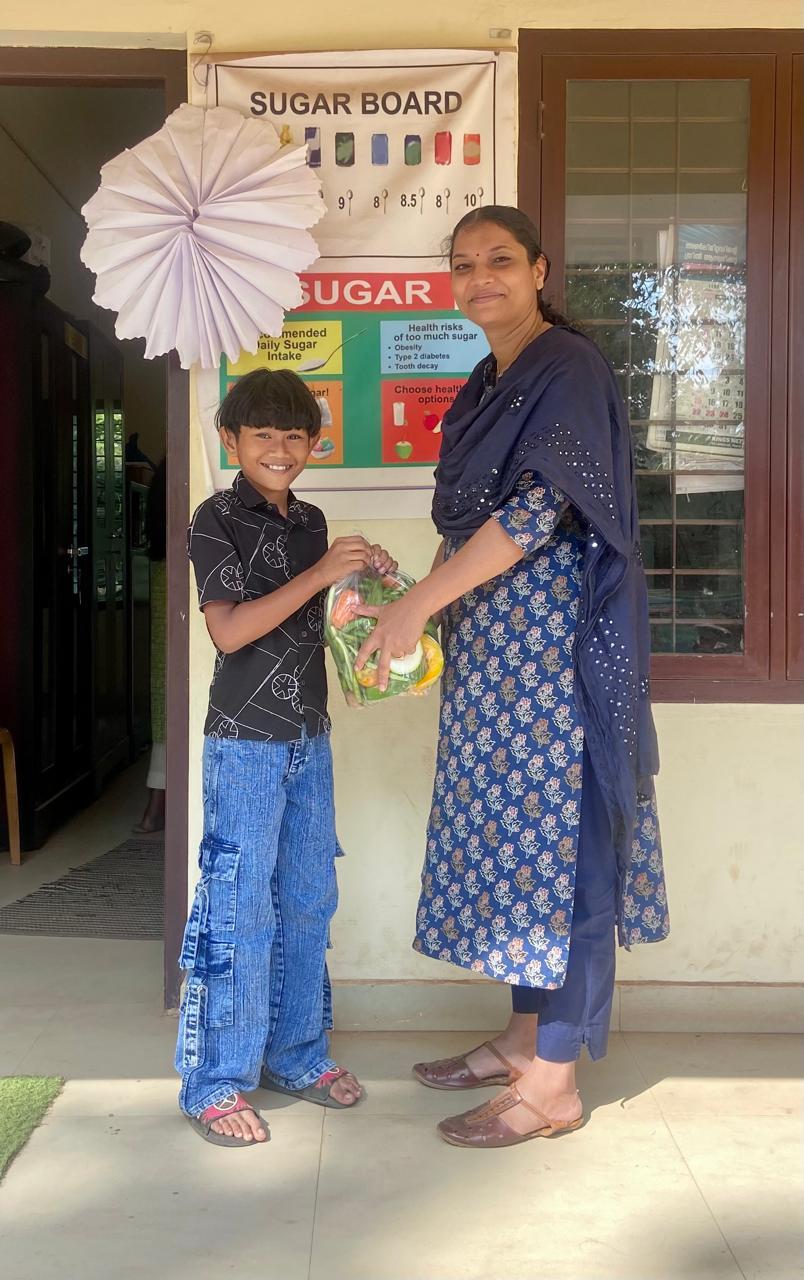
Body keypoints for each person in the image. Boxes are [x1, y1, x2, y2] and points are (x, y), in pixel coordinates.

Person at [356, 206, 670, 1149]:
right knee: (517, 849)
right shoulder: (489, 379)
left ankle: (554, 1084)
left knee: (565, 855)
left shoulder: (566, 366)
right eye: (463, 265)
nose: (479, 277)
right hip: (494, 658)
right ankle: (523, 1038)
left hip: (557, 657)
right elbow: (469, 523)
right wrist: (414, 604)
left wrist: (421, 604)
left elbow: (538, 514)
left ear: (539, 270)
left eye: (499, 260)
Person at [176, 368, 396, 1147]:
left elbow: (322, 619)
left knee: (306, 900)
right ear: (230, 440)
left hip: (309, 735)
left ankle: (296, 1055)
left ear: (313, 444)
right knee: (239, 908)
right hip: (243, 743)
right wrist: (320, 572)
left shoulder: (312, 521)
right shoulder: (213, 517)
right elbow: (230, 631)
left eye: (294, 435)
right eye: (262, 434)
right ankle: (215, 1082)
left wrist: (366, 585)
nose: (279, 447)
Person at [135, 458, 166, 835]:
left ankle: (155, 806)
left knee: (164, 702)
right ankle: (157, 806)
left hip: (162, 572)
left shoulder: (158, 560)